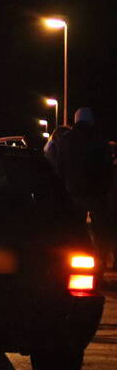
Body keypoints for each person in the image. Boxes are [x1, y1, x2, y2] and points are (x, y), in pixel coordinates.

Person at [47, 108, 113, 264]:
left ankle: (78, 261)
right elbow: (107, 167)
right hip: (97, 193)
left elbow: (59, 167)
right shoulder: (99, 140)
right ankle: (100, 263)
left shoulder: (66, 140)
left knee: (76, 228)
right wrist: (106, 188)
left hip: (73, 191)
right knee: (100, 231)